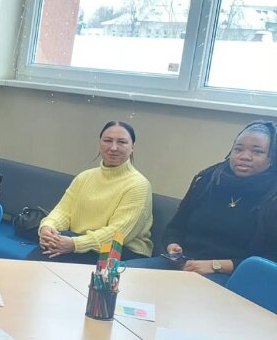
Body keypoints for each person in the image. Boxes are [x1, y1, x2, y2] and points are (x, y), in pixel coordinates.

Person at [130, 120, 277, 285]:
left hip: (232, 276)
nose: (244, 156)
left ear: (272, 158)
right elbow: (175, 227)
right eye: (238, 149)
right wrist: (173, 246)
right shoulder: (208, 181)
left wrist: (215, 265)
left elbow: (269, 259)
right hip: (182, 264)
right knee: (118, 275)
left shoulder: (272, 198)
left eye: (257, 152)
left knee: (181, 293)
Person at [33, 121, 152, 264]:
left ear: (132, 147)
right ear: (99, 143)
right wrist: (48, 227)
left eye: (122, 142)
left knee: (47, 255)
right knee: (50, 244)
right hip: (81, 242)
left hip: (122, 251)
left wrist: (76, 244)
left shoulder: (138, 185)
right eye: (107, 141)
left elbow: (118, 233)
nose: (113, 147)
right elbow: (63, 211)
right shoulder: (85, 177)